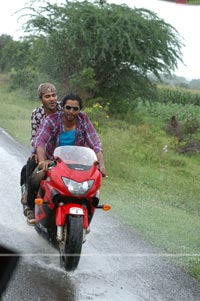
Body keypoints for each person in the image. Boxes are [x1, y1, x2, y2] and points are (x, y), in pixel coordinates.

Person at [26, 92, 106, 224]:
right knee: (37, 176)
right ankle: (31, 207)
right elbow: (40, 142)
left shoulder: (83, 120)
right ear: (62, 108)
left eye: (75, 109)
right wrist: (42, 161)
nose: (71, 111)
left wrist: (101, 165)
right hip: (53, 161)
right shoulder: (51, 120)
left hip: (77, 163)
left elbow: (95, 144)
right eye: (68, 107)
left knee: (93, 187)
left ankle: (86, 218)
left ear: (79, 110)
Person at [20, 83, 62, 216]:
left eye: (54, 95)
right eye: (47, 96)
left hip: (63, 151)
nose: (51, 99)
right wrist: (39, 152)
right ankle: (30, 205)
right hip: (43, 151)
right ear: (41, 99)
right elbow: (35, 137)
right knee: (32, 165)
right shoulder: (37, 114)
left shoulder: (64, 109)